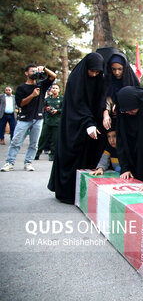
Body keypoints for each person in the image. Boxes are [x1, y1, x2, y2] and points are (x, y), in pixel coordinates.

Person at [48, 53, 105, 204]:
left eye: (97, 72)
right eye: (92, 71)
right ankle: (67, 192)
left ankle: (84, 193)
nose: (94, 74)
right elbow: (77, 104)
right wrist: (88, 122)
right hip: (74, 125)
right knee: (71, 155)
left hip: (90, 125)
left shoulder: (98, 80)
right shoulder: (76, 79)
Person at [1, 65, 56, 172]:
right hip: (24, 119)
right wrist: (32, 95)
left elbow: (53, 76)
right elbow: (20, 103)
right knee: (16, 142)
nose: (35, 73)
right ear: (26, 73)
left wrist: (43, 68)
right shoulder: (21, 88)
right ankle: (9, 162)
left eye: (36, 71)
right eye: (32, 71)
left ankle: (28, 163)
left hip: (38, 119)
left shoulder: (41, 85)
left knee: (34, 144)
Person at [102, 52, 141, 131]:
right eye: (114, 69)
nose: (117, 72)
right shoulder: (108, 82)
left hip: (129, 121)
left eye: (120, 69)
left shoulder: (132, 81)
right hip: (114, 122)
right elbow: (107, 99)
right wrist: (106, 114)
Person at [35, 84, 63, 161]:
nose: (54, 89)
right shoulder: (47, 99)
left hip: (57, 122)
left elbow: (64, 109)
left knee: (54, 140)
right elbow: (42, 107)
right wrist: (46, 109)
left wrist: (57, 111)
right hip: (48, 121)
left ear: (59, 90)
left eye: (56, 88)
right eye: (53, 88)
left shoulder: (61, 99)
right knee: (42, 138)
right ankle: (37, 153)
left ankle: (52, 154)